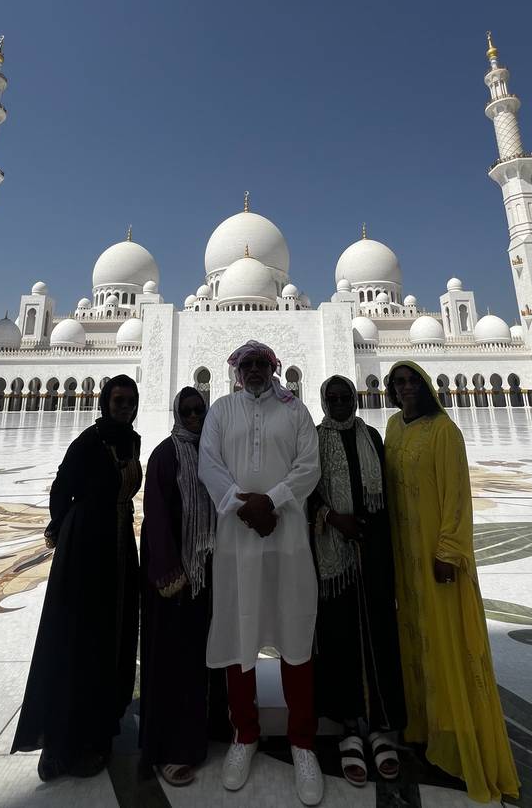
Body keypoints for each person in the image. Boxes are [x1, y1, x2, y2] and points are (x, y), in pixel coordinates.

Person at [383, 361, 520, 803]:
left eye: (412, 382)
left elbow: (458, 498)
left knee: (448, 646)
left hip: (438, 560)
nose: (405, 389)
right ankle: (425, 730)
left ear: (426, 386)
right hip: (406, 561)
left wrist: (448, 552)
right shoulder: (394, 428)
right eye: (398, 383)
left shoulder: (445, 431)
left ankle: (461, 743)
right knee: (418, 644)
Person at [198, 341, 324, 807]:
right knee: (238, 632)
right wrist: (242, 505)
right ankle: (244, 735)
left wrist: (271, 501)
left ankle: (303, 743)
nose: (253, 371)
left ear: (274, 368)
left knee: (294, 632)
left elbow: (308, 467)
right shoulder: (221, 410)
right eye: (245, 364)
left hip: (287, 537)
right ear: (236, 370)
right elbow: (208, 465)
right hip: (237, 542)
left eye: (261, 364)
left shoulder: (295, 411)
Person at [11, 375, 143, 782]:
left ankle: (99, 729)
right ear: (104, 402)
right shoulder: (88, 442)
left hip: (119, 546)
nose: (124, 407)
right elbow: (61, 487)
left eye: (130, 401)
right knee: (77, 638)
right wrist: (65, 529)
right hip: (86, 548)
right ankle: (61, 742)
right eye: (118, 400)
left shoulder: (132, 441)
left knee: (112, 635)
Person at [311, 375, 406, 788]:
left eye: (344, 396)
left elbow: (388, 493)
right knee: (338, 636)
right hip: (333, 557)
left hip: (371, 556)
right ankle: (349, 726)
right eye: (330, 398)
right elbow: (306, 492)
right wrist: (334, 519)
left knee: (380, 634)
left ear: (356, 398)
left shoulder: (371, 436)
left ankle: (382, 726)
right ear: (323, 401)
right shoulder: (312, 440)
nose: (337, 403)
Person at [139, 387, 216, 786]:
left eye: (198, 410)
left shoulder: (213, 455)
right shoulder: (165, 455)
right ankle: (170, 745)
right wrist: (170, 571)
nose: (193, 416)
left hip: (206, 573)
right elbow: (154, 519)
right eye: (186, 410)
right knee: (173, 662)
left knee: (204, 658)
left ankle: (204, 732)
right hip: (175, 579)